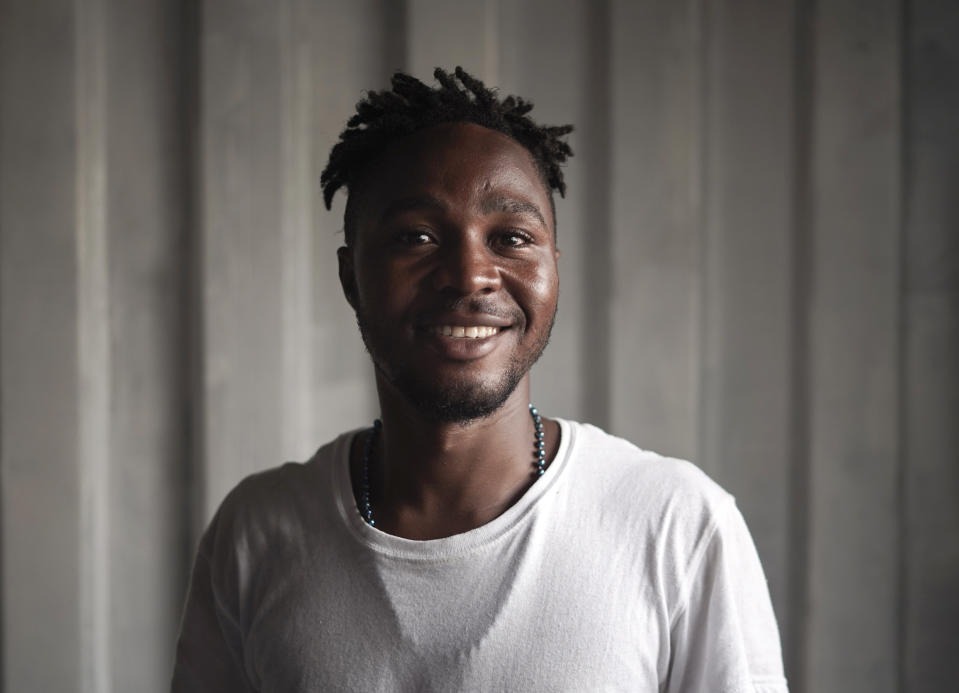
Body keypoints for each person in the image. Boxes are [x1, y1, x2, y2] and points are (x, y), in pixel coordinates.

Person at [171, 67, 788, 692]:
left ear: (554, 271)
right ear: (351, 276)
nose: (469, 275)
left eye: (511, 238)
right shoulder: (257, 531)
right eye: (417, 236)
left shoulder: (675, 524)